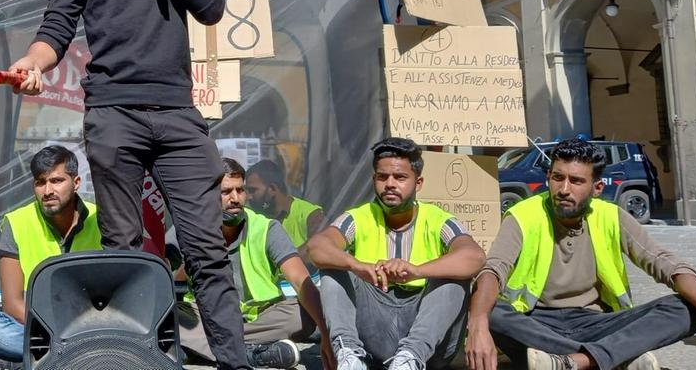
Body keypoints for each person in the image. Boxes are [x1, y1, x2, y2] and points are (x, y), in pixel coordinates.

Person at [8, 0, 252, 369]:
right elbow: (54, 32)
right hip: (114, 114)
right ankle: (132, 359)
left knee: (206, 250)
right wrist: (30, 63)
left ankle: (235, 363)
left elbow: (210, 9)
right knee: (123, 245)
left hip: (179, 116)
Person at [465, 139, 696, 370]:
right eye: (557, 177)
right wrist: (477, 324)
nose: (564, 189)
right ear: (548, 178)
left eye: (576, 181)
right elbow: (494, 270)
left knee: (689, 307)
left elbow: (668, 265)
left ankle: (574, 362)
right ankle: (614, 359)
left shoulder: (611, 217)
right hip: (535, 323)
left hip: (597, 323)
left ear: (597, 188)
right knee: (488, 309)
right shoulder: (523, 215)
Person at [308, 138, 484, 370]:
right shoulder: (359, 217)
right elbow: (317, 247)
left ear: (418, 183)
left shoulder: (438, 219)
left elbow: (475, 256)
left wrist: (417, 271)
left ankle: (408, 360)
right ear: (374, 179)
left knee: (454, 278)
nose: (390, 184)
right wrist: (357, 265)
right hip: (373, 331)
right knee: (332, 268)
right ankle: (350, 357)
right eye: (382, 177)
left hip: (427, 341)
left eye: (400, 177)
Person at [176, 158, 332, 370]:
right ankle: (252, 355)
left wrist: (326, 335)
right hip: (208, 316)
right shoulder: (192, 230)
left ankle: (209, 349)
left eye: (240, 190)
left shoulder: (267, 228)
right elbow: (170, 273)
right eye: (226, 192)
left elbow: (299, 279)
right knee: (171, 316)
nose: (236, 198)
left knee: (303, 315)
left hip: (259, 318)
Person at [0, 145, 102, 369]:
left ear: (76, 182)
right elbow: (12, 304)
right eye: (40, 182)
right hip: (38, 327)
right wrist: (55, 332)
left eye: (57, 181)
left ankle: (38, 360)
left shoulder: (100, 219)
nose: (48, 190)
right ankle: (72, 357)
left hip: (89, 326)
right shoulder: (17, 222)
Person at [245, 159, 325, 262]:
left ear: (272, 189)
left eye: (252, 190)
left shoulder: (311, 216)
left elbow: (317, 249)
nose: (248, 197)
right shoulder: (254, 218)